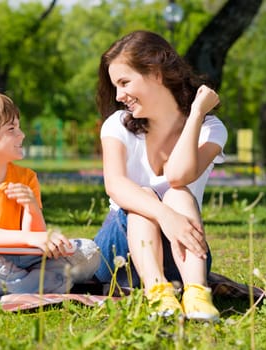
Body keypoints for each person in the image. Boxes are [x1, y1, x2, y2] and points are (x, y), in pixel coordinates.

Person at [93, 30, 227, 321]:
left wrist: (194, 116)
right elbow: (115, 186)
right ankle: (157, 294)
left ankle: (196, 293)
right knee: (143, 195)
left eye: (125, 82)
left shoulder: (210, 129)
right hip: (119, 251)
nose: (118, 96)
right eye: (116, 85)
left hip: (181, 254)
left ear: (155, 73)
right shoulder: (117, 125)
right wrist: (164, 215)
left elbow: (179, 176)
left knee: (178, 192)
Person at [0, 91, 100, 300]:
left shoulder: (26, 177)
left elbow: (34, 240)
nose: (21, 134)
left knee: (89, 251)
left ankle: (9, 289)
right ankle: (46, 284)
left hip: (23, 261)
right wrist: (33, 237)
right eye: (11, 129)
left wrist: (32, 208)